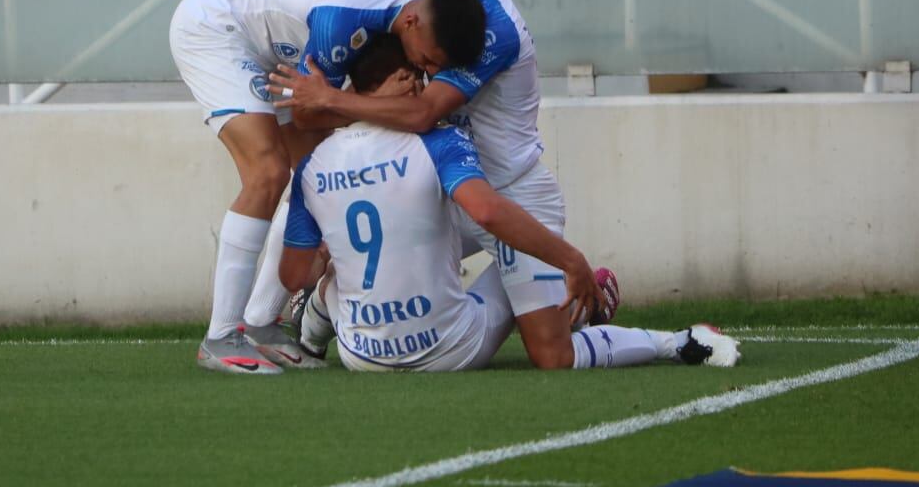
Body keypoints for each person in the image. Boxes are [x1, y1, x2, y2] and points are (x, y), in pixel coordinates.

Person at [256, 0, 723, 372]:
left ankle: (667, 338)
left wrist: (328, 99)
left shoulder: (490, 25)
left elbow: (421, 114)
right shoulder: (424, 8)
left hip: (509, 194)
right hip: (442, 190)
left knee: (552, 356)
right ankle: (303, 323)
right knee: (340, 221)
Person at [279, 33, 740, 373]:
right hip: (451, 351)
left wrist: (332, 255)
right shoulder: (438, 141)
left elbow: (294, 275)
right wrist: (570, 260)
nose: (424, 89)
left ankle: (312, 336)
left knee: (342, 265)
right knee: (531, 271)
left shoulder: (313, 164)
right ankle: (675, 341)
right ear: (405, 80)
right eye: (416, 77)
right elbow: (487, 212)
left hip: (362, 358)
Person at [169, 0, 492, 374]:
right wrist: (376, 105)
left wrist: (342, 101)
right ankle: (221, 336)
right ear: (412, 22)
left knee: (314, 176)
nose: (424, 69)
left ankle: (262, 323)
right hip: (217, 28)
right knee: (267, 171)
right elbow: (307, 113)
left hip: (270, 39)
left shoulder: (411, 5)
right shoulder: (339, 24)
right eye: (427, 58)